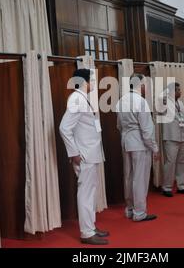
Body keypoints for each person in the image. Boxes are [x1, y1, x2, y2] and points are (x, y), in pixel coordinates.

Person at [59, 68, 109, 245]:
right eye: (93, 80)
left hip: (91, 153)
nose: (94, 84)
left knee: (91, 192)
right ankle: (86, 233)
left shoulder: (82, 98)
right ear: (86, 81)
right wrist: (74, 153)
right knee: (86, 193)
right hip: (85, 154)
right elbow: (64, 128)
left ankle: (91, 226)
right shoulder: (77, 99)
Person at [116, 73, 159, 222]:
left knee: (128, 176)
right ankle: (139, 212)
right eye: (145, 84)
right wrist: (154, 147)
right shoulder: (141, 101)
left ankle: (129, 209)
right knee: (140, 178)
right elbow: (147, 130)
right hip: (140, 143)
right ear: (140, 85)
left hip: (126, 141)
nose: (145, 87)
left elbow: (119, 125)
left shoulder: (121, 101)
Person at [161, 82, 184, 197]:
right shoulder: (164, 102)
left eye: (180, 89)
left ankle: (181, 185)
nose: (180, 92)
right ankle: (167, 187)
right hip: (171, 137)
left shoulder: (180, 103)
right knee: (170, 163)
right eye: (177, 90)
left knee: (182, 162)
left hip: (183, 136)